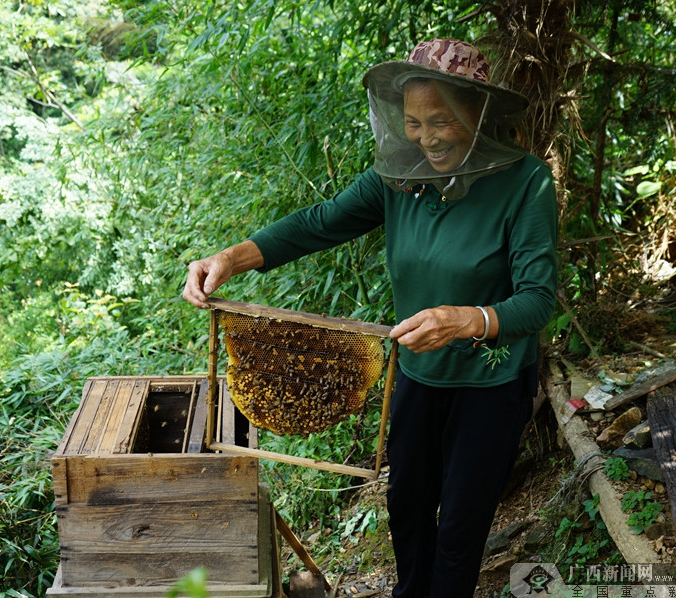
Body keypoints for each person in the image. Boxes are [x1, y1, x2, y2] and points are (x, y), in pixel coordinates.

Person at [183, 38, 558, 598]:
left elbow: (537, 298)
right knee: (407, 511)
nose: (426, 137)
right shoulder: (397, 177)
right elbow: (320, 221)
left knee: (459, 526)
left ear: (478, 113)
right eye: (412, 122)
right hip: (416, 377)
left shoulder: (527, 183)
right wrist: (229, 258)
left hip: (492, 382)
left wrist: (465, 320)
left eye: (441, 121)